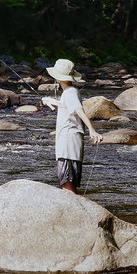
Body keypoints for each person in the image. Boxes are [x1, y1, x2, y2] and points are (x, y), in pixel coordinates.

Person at [41, 59, 102, 194]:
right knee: (68, 182)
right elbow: (69, 106)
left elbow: (79, 110)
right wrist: (52, 101)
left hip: (68, 142)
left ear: (57, 77)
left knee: (66, 183)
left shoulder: (69, 93)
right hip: (70, 142)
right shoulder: (70, 91)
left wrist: (93, 131)